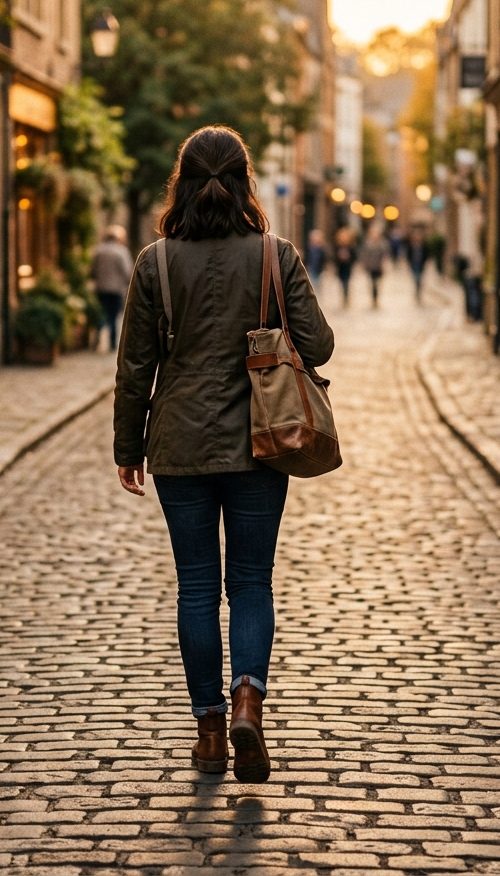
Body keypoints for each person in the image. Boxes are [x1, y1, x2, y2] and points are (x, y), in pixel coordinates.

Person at [114, 125, 334, 783]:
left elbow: (134, 368)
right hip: (261, 443)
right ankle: (247, 699)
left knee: (196, 587)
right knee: (251, 582)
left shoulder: (155, 262)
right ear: (245, 181)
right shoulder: (276, 254)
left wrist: (128, 446)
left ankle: (210, 732)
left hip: (178, 444)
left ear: (182, 182)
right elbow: (318, 346)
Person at [91, 225, 134, 351]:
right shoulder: (121, 252)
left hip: (101, 287)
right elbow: (127, 271)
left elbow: (93, 270)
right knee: (114, 316)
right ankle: (113, 344)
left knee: (100, 314)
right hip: (116, 289)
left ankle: (97, 340)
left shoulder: (98, 251)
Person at [360, 226, 389, 307]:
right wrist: (363, 264)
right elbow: (364, 255)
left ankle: (376, 297)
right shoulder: (367, 243)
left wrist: (384, 264)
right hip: (370, 267)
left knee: (377, 283)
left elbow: (385, 255)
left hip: (378, 267)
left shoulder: (382, 244)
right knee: (372, 283)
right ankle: (373, 298)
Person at [334, 227, 357, 306]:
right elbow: (334, 257)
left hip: (347, 267)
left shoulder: (351, 247)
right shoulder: (337, 246)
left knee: (346, 282)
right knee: (341, 282)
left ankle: (346, 297)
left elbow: (354, 256)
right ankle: (344, 296)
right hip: (340, 268)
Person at [408, 228, 427, 303]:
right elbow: (408, 255)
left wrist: (425, 262)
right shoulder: (411, 246)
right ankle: (417, 291)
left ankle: (418, 291)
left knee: (420, 279)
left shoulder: (424, 246)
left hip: (421, 264)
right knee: (416, 278)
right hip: (413, 264)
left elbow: (426, 254)